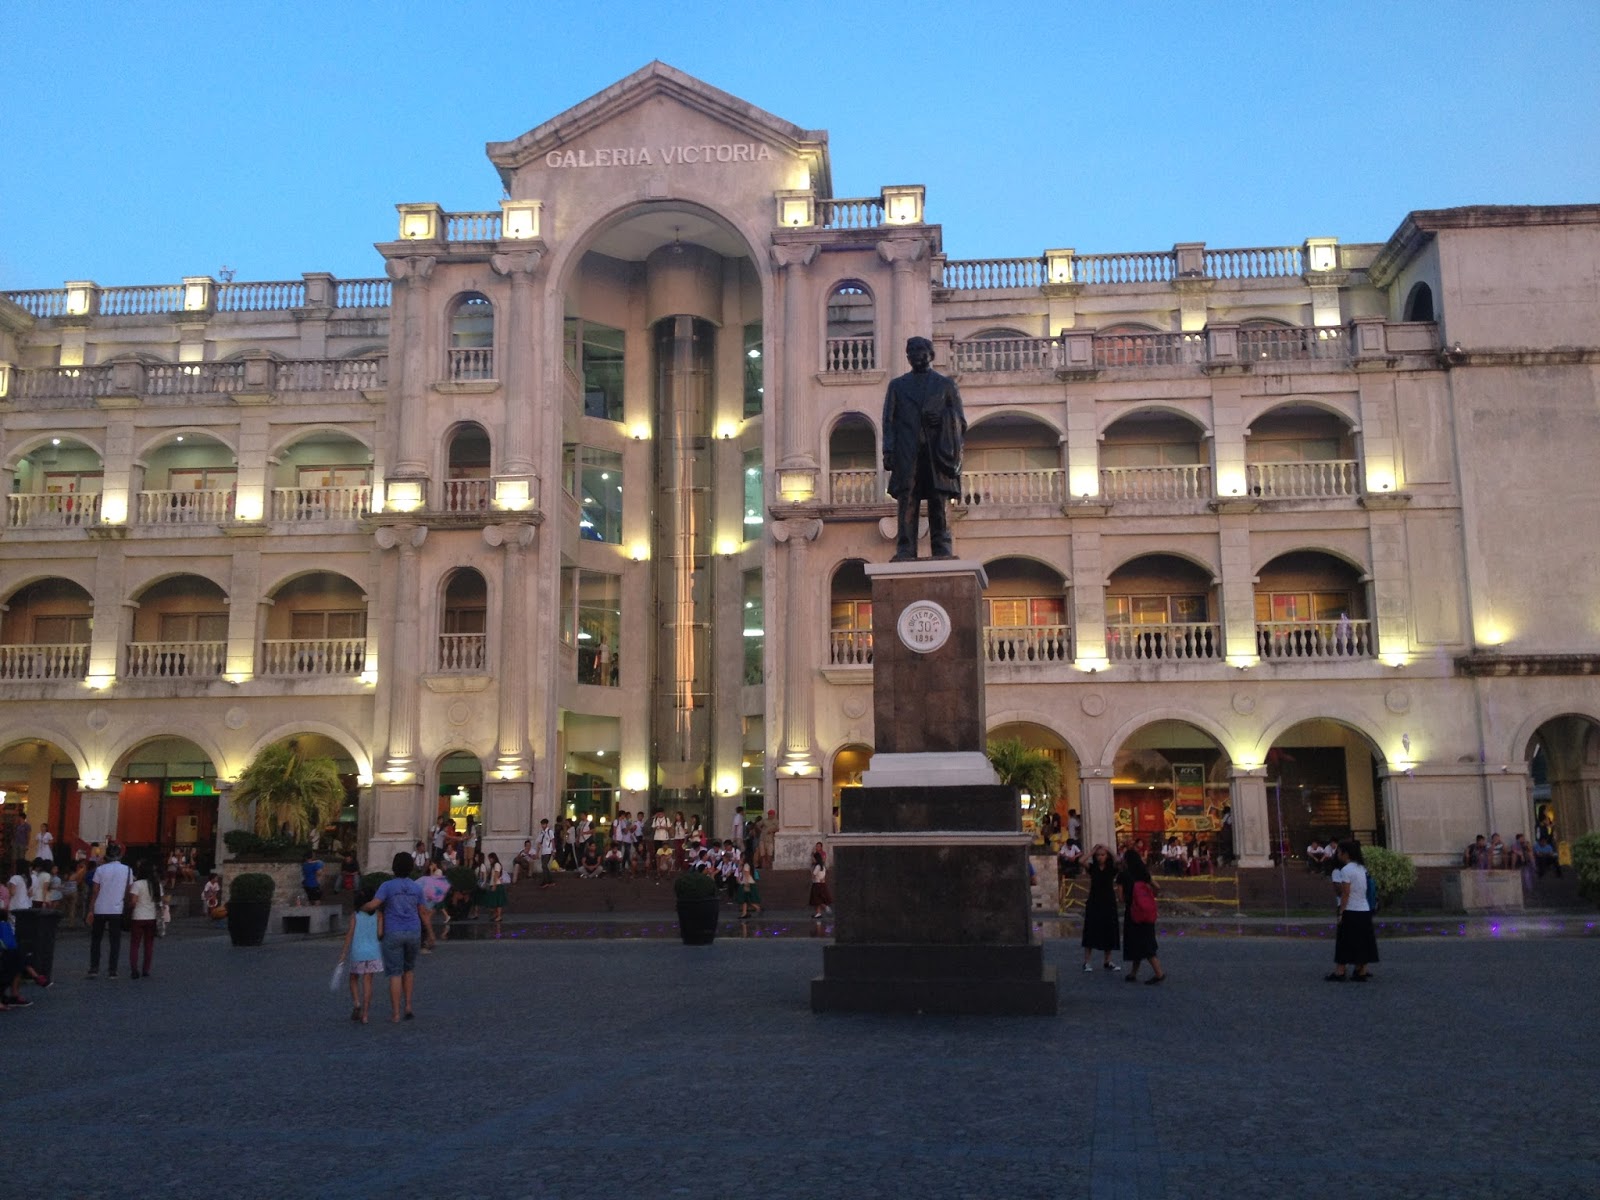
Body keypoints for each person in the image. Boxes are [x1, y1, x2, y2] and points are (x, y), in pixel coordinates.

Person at [882, 336, 967, 561]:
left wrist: (942, 417)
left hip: (937, 452)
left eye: (921, 349)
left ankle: (942, 547)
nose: (916, 354)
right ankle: (905, 548)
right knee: (907, 500)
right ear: (907, 356)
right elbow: (888, 421)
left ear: (930, 354)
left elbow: (960, 420)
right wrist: (888, 450)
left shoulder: (945, 385)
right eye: (911, 350)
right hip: (907, 451)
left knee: (939, 500)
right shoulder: (897, 386)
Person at [363, 851, 436, 1022]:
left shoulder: (387, 886)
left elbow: (374, 904)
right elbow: (424, 913)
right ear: (411, 868)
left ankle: (396, 1013)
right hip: (413, 932)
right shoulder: (416, 888)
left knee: (395, 973)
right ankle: (408, 1006)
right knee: (409, 970)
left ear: (394, 867)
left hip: (393, 932)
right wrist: (431, 934)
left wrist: (361, 907)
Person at [1327, 839, 1377, 982]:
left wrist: (1341, 912)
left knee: (1344, 941)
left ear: (1345, 853)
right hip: (1364, 909)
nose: (1338, 854)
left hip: (1351, 909)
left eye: (1339, 851)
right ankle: (1360, 970)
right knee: (1362, 941)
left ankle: (1340, 971)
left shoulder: (1346, 870)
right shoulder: (1362, 868)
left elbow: (1345, 893)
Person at [1118, 847, 1165, 984]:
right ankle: (1133, 973)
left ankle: (1159, 973)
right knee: (1147, 941)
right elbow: (1157, 887)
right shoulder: (1143, 873)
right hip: (1146, 912)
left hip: (1132, 913)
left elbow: (1121, 898)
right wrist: (1149, 897)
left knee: (1137, 943)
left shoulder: (1123, 875)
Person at [85, 843, 133, 979]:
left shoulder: (100, 870)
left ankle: (94, 968)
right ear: (120, 855)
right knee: (115, 940)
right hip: (116, 908)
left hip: (100, 907)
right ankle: (113, 969)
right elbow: (128, 890)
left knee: (96, 939)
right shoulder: (127, 870)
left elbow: (95, 891)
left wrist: (90, 910)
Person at [339, 886, 383, 1023]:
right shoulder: (379, 915)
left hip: (358, 951)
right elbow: (380, 934)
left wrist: (344, 953)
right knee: (368, 981)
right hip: (373, 952)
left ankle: (357, 1003)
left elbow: (349, 935)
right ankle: (365, 1015)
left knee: (353, 978)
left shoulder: (355, 915)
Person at [1080, 844, 1120, 972]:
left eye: (1102, 855)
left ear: (1107, 856)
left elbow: (1120, 862)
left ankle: (1107, 960)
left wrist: (1110, 850)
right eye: (1098, 855)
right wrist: (1092, 851)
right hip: (1094, 900)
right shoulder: (1092, 868)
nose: (1100, 857)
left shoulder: (1111, 868)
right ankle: (1087, 961)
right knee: (1090, 929)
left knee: (1109, 929)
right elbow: (1081, 861)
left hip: (1108, 900)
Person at [126, 857, 162, 980]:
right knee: (148, 945)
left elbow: (133, 902)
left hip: (138, 916)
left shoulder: (137, 884)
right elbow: (160, 902)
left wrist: (129, 907)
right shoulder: (157, 885)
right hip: (151, 917)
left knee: (135, 944)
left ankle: (134, 969)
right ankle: (146, 969)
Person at [809, 842, 833, 919]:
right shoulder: (823, 867)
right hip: (822, 884)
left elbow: (814, 874)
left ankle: (825, 908)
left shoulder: (818, 866)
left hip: (817, 884)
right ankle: (818, 913)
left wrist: (812, 875)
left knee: (817, 899)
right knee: (818, 899)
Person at [536, 818, 556, 888]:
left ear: (546, 824)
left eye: (544, 824)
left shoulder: (550, 832)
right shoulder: (541, 833)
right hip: (543, 851)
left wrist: (554, 850)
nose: (542, 825)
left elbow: (553, 841)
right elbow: (538, 843)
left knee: (544, 865)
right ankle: (549, 881)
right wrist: (537, 853)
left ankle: (546, 881)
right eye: (542, 824)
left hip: (548, 851)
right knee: (544, 866)